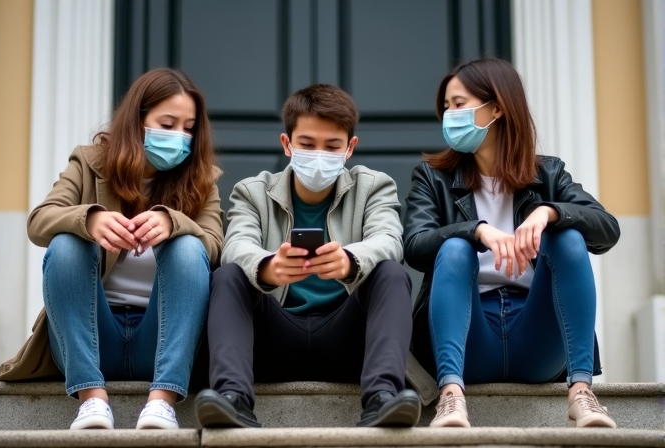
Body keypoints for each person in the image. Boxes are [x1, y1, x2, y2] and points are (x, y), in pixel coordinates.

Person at [0, 68, 223, 430]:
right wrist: (89, 220)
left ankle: (163, 402)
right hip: (91, 337)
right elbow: (40, 220)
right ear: (138, 121)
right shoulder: (90, 162)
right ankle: (91, 399)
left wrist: (173, 222)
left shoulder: (202, 179)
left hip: (163, 340)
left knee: (188, 248)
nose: (179, 136)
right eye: (167, 124)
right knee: (67, 243)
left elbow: (214, 247)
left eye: (188, 127)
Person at [403, 58, 620, 429]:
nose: (448, 115)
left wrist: (548, 212)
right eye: (446, 107)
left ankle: (582, 391)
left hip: (537, 338)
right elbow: (416, 244)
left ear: (497, 107)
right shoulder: (433, 177)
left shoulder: (549, 173)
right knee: (454, 246)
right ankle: (451, 398)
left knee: (567, 235)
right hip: (468, 337)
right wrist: (477, 231)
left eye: (459, 104)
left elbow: (607, 229)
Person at [194, 84, 421, 428]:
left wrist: (350, 261)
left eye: (332, 147)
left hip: (350, 343)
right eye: (307, 144)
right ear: (287, 144)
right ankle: (233, 399)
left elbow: (389, 239)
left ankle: (382, 399)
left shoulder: (374, 186)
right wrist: (269, 268)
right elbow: (236, 246)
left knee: (391, 272)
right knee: (228, 276)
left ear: (350, 148)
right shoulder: (253, 191)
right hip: (272, 341)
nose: (319, 156)